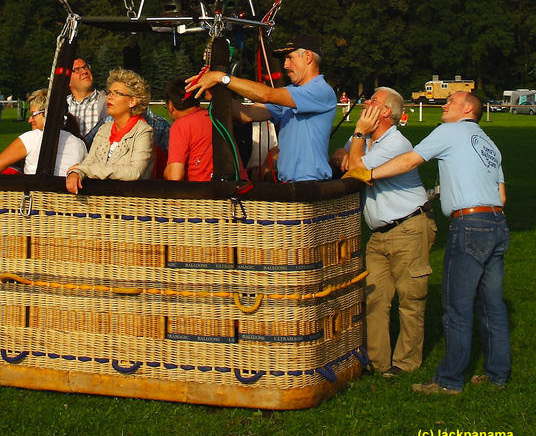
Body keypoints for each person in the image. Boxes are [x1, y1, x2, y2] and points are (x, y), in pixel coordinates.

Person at [346, 90, 509, 394]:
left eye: (452, 101)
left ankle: (449, 381)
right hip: (497, 223)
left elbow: (409, 161)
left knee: (456, 306)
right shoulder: (490, 144)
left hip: (469, 224)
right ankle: (498, 375)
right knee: (492, 306)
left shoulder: (450, 130)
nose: (444, 105)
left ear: (468, 109)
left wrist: (367, 174)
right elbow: (502, 196)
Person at [331, 87, 436, 377]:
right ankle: (377, 362)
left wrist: (357, 136)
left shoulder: (396, 143)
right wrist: (349, 146)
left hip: (410, 228)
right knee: (374, 295)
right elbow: (344, 154)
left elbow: (354, 168)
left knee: (411, 298)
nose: (366, 103)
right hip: (378, 234)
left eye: (373, 101)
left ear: (386, 112)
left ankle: (406, 362)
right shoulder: (367, 141)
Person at [187, 34, 337, 182]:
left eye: (289, 58)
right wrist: (216, 94)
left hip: (310, 187)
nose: (286, 65)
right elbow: (247, 114)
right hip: (288, 186)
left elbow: (267, 95)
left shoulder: (321, 91)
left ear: (308, 57)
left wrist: (221, 77)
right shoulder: (292, 94)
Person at [65, 69, 154, 192]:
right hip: (100, 203)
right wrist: (76, 173)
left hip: (129, 205)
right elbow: (89, 161)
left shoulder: (143, 132)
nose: (110, 97)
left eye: (117, 93)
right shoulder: (104, 129)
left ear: (133, 101)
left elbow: (134, 172)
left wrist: (88, 170)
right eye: (109, 92)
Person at [0, 89, 86, 176]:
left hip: (36, 199)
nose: (30, 120)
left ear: (46, 114)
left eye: (33, 114)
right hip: (67, 201)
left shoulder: (33, 138)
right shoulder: (79, 144)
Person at [163, 77, 247, 181]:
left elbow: (175, 177)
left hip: (206, 190)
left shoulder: (180, 125)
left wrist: (166, 171)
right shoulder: (215, 117)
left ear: (171, 106)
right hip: (240, 185)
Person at [67, 59, 108, 139]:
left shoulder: (107, 102)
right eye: (77, 70)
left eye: (85, 67)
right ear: (68, 81)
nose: (84, 72)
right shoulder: (61, 108)